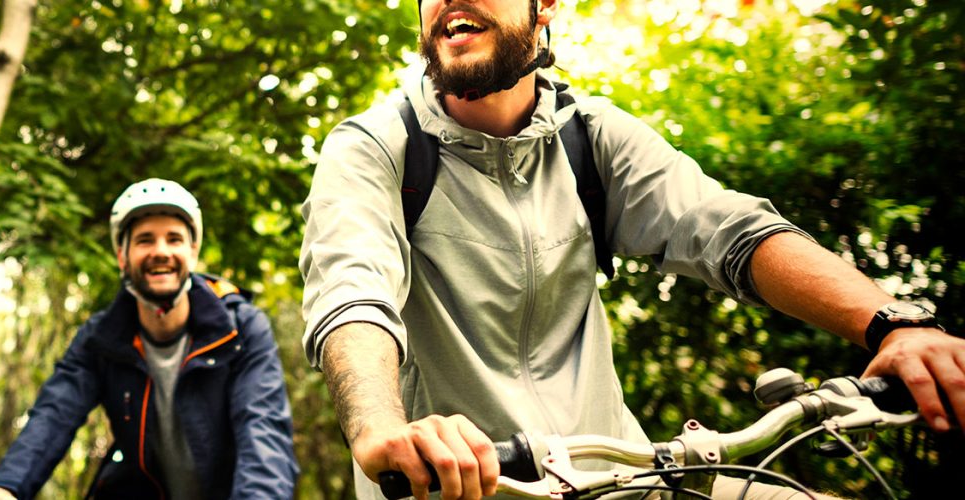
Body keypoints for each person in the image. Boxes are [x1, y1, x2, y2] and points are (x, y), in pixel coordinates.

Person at [298, 0, 965, 499]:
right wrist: (383, 430)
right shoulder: (374, 149)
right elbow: (353, 289)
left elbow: (726, 229)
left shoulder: (592, 137)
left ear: (546, 5)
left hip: (623, 480)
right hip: (460, 487)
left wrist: (894, 324)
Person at [0, 178, 298, 499]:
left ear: (193, 252)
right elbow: (54, 414)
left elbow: (263, 435)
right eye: (145, 240)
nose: (161, 252)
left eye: (174, 239)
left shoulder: (240, 329)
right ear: (122, 256)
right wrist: (4, 489)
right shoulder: (101, 339)